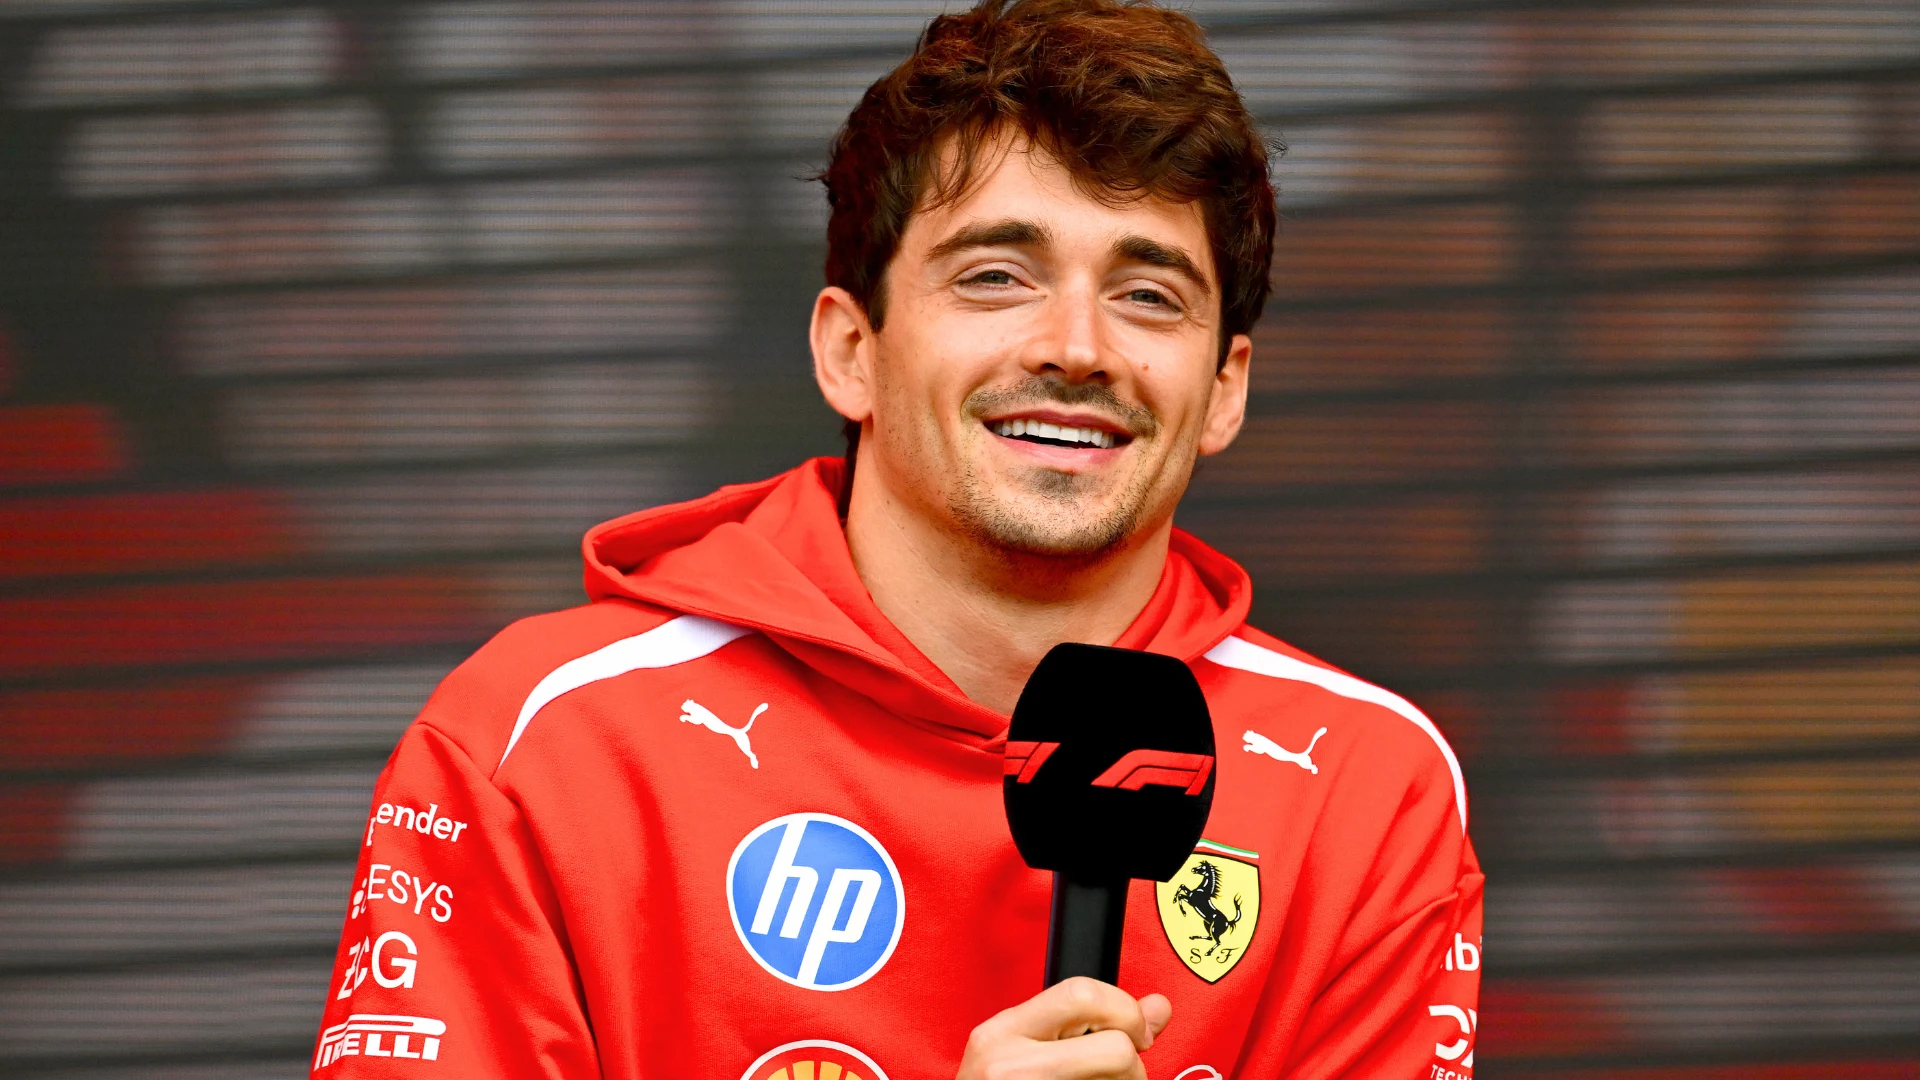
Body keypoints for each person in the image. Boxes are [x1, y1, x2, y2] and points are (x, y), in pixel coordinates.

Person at [310, 1, 1483, 1077]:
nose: (1078, 347)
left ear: (1225, 390)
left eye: (1148, 295)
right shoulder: (546, 742)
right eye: (997, 276)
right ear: (849, 352)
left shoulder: (1368, 789)